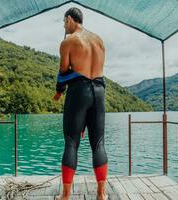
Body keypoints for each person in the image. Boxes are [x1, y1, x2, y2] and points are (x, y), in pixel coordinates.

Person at [54, 7, 108, 200]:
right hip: (100, 92)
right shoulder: (99, 40)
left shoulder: (68, 41)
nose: (63, 25)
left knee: (71, 143)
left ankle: (65, 196)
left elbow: (63, 72)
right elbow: (97, 70)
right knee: (99, 143)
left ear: (70, 19)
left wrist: (59, 91)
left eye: (64, 22)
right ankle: (102, 194)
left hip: (78, 92)